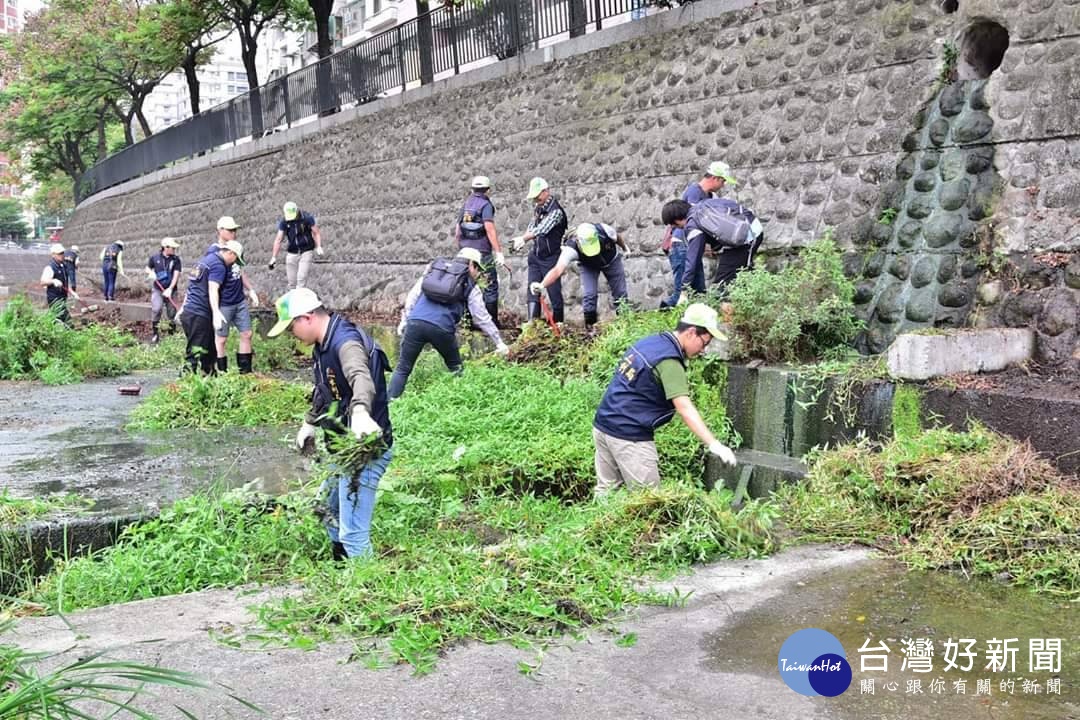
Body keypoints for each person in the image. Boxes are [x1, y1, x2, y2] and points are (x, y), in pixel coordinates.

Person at [270, 287, 393, 560]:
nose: (291, 334)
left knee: (353, 533)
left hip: (366, 450)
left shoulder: (345, 343)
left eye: (291, 327)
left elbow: (360, 377)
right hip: (344, 450)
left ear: (307, 317)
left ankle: (364, 580)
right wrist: (310, 423)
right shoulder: (322, 344)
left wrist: (360, 411)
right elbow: (324, 387)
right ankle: (340, 566)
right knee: (325, 509)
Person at [592, 303, 737, 494]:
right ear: (691, 332)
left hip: (603, 425)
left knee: (607, 492)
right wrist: (714, 444)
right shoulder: (669, 361)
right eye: (705, 343)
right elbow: (685, 408)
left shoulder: (652, 342)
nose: (703, 350)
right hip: (629, 436)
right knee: (647, 500)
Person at [390, 247, 509, 398]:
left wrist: (405, 320)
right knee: (455, 367)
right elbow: (481, 317)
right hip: (442, 329)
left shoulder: (435, 271)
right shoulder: (470, 284)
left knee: (402, 369)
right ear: (471, 264)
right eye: (478, 268)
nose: (478, 273)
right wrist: (499, 343)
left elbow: (412, 298)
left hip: (415, 323)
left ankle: (389, 403)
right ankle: (463, 401)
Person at [661, 162, 734, 308]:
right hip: (682, 245)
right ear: (715, 178)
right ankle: (666, 314)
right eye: (723, 181)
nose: (723, 185)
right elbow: (698, 223)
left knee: (699, 291)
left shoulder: (710, 196)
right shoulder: (694, 193)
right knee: (682, 292)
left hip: (692, 246)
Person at [530, 222, 630, 328]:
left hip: (612, 261)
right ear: (579, 242)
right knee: (589, 295)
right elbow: (558, 270)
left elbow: (617, 238)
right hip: (589, 266)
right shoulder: (571, 249)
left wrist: (625, 248)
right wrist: (542, 285)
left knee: (620, 293)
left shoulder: (604, 230)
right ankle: (590, 328)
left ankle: (625, 324)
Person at [178, 219, 244, 374]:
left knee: (209, 351)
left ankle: (210, 376)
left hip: (191, 312)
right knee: (195, 351)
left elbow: (192, 286)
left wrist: (183, 307)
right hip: (199, 313)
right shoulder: (219, 266)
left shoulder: (206, 260)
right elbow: (213, 289)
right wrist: (216, 312)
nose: (234, 263)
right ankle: (185, 380)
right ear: (230, 253)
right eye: (235, 259)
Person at [511, 177, 568, 323]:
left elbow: (543, 229)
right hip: (536, 256)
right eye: (534, 197)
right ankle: (532, 325)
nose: (536, 200)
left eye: (538, 196)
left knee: (554, 294)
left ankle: (558, 325)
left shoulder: (556, 211)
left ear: (546, 191)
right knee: (532, 291)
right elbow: (533, 226)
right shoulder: (538, 208)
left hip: (551, 258)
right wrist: (521, 240)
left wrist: (524, 239)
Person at [455, 175, 505, 325]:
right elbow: (489, 229)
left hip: (465, 251)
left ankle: (466, 322)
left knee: (466, 284)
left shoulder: (466, 204)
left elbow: (457, 231)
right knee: (490, 285)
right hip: (482, 252)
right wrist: (498, 252)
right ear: (488, 190)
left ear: (472, 189)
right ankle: (491, 322)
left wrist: (461, 247)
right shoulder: (486, 205)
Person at [214, 250, 260, 373]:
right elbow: (213, 286)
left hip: (239, 301)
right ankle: (222, 372)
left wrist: (251, 290)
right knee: (221, 339)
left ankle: (245, 371)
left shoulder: (237, 254)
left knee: (247, 334)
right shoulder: (217, 260)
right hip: (224, 304)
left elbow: (240, 272)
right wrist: (215, 310)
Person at [269, 201, 323, 290]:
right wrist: (274, 257)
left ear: (297, 211)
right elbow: (278, 239)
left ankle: (300, 297)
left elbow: (316, 232)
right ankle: (293, 297)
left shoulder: (306, 218)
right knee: (292, 282)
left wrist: (319, 246)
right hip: (292, 252)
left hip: (306, 250)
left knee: (301, 278)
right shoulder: (284, 221)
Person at [146, 238, 182, 344]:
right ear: (165, 247)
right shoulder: (155, 258)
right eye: (172, 248)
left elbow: (176, 275)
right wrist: (151, 273)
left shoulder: (176, 260)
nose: (174, 249)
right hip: (158, 289)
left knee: (172, 312)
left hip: (171, 290)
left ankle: (172, 334)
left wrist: (170, 289)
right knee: (156, 309)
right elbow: (148, 268)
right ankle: (155, 334)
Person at [40, 243, 79, 326]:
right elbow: (43, 282)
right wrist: (53, 281)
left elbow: (65, 283)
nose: (62, 255)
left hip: (63, 298)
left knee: (58, 319)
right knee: (67, 321)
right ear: (53, 255)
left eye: (62, 253)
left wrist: (72, 292)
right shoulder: (50, 267)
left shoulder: (64, 266)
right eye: (59, 254)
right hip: (55, 298)